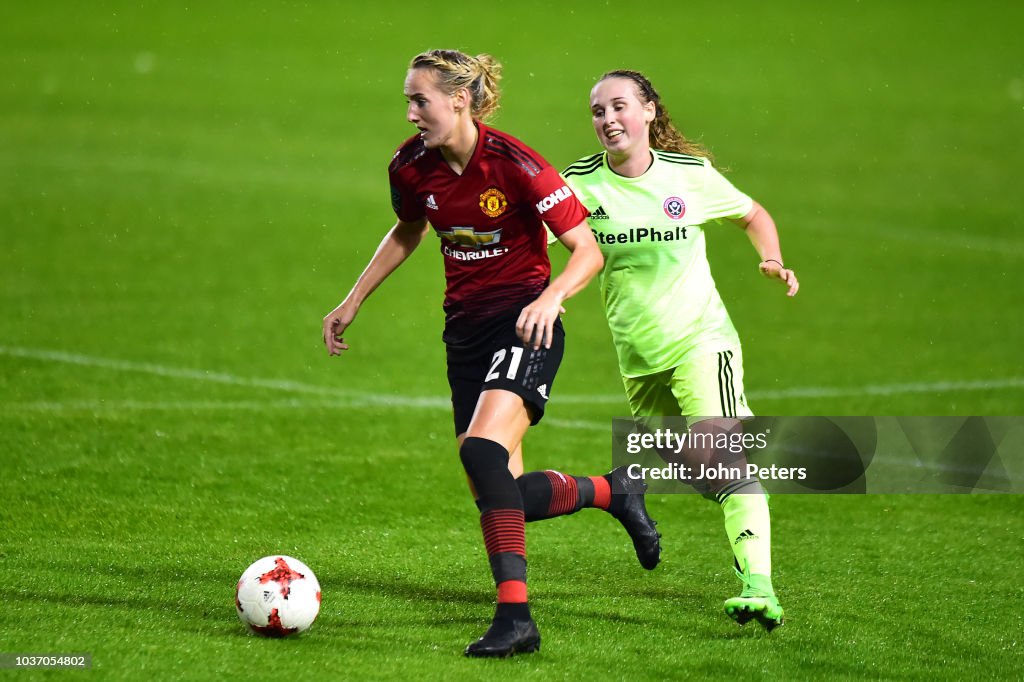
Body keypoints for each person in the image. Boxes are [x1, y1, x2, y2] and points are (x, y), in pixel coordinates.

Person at [322, 51, 661, 658]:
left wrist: (552, 298)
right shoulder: (409, 167)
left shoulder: (517, 164)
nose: (410, 112)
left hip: (527, 324)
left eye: (419, 99)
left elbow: (585, 250)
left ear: (458, 100)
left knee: (481, 453)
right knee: (496, 491)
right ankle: (613, 492)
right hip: (466, 334)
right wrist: (353, 300)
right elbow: (408, 229)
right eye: (408, 99)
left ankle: (516, 619)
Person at [562, 69, 800, 631]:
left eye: (619, 106)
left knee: (720, 456)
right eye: (597, 111)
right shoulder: (579, 184)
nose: (607, 119)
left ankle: (759, 586)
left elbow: (751, 214)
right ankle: (725, 511)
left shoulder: (688, 176)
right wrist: (548, 293)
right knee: (696, 467)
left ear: (648, 111)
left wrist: (769, 257)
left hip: (701, 340)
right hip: (639, 358)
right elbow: (537, 242)